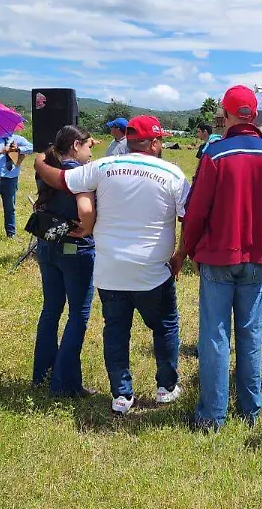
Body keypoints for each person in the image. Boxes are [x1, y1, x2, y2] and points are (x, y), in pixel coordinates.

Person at [38, 116, 191, 415]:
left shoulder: (103, 166)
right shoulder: (172, 173)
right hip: (152, 270)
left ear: (129, 141)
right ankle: (166, 387)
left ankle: (121, 395)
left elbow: (60, 179)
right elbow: (189, 218)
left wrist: (39, 163)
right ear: (155, 143)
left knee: (116, 331)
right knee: (165, 326)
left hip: (110, 271)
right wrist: (180, 255)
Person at [178, 86, 262, 430]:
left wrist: (188, 250)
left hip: (218, 256)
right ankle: (250, 409)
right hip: (257, 257)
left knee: (215, 336)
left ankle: (212, 416)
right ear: (253, 116)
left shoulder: (215, 154)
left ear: (225, 116)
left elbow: (196, 211)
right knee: (251, 334)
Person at [30, 125, 97, 398]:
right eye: (89, 146)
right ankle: (65, 383)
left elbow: (40, 162)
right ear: (75, 145)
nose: (91, 153)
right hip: (75, 249)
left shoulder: (46, 167)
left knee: (51, 310)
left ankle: (43, 374)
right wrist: (88, 227)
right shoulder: (79, 174)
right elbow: (85, 209)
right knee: (78, 314)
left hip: (47, 245)